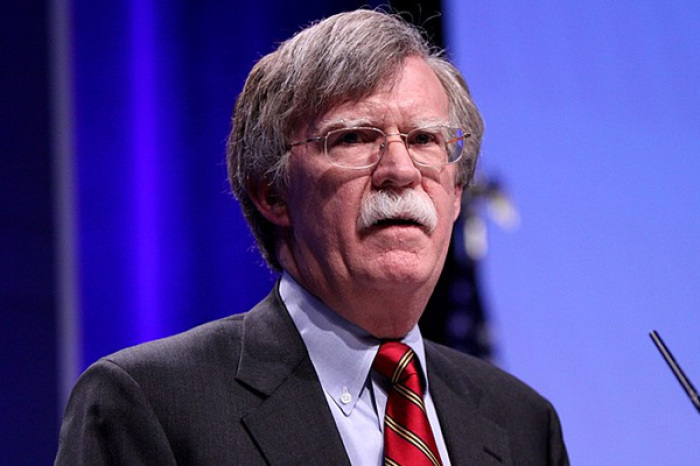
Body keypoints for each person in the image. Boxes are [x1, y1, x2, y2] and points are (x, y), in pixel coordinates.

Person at [56, 9, 569, 465]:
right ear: (272, 193)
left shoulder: (523, 424)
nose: (400, 169)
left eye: (424, 140)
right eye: (353, 138)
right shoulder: (150, 405)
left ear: (456, 194)